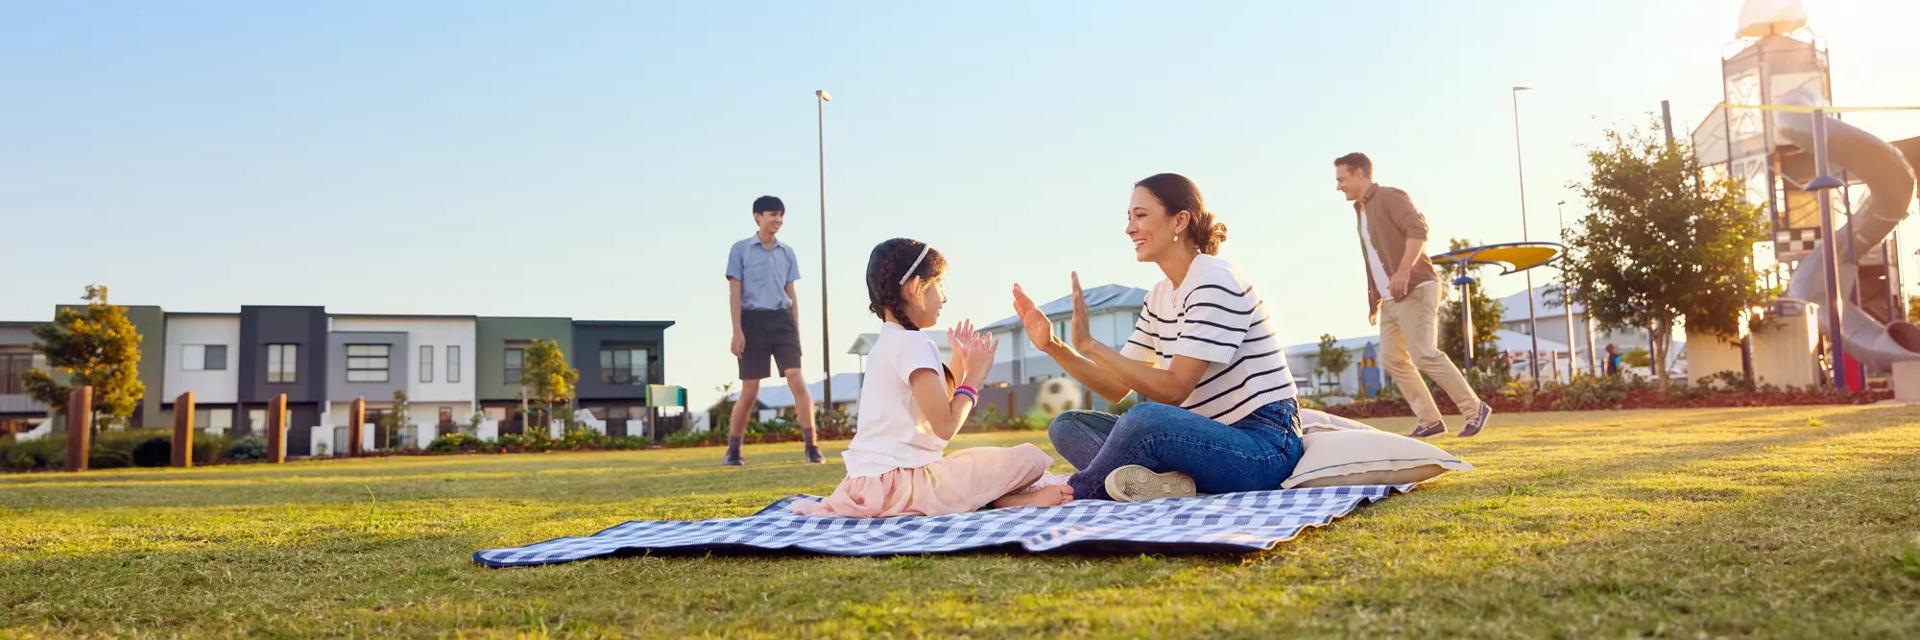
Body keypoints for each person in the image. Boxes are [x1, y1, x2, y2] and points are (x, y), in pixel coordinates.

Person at [1018, 173, 1306, 502]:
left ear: (1179, 221)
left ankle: (1074, 493)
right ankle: (1168, 483)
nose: (1129, 229)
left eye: (1140, 216)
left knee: (1145, 419)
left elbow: (1173, 389)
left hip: (1262, 447)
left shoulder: (1215, 278)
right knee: (1068, 425)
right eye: (1129, 218)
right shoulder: (1159, 295)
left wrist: (1092, 345)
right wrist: (1055, 347)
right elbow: (1114, 386)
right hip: (1200, 439)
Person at [794, 238, 1074, 517]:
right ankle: (1004, 501)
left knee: (974, 464)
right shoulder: (915, 343)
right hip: (907, 486)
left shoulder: (889, 343)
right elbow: (945, 426)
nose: (944, 297)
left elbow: (931, 408)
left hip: (867, 487)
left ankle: (1001, 500)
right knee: (1028, 458)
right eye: (939, 285)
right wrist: (975, 375)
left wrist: (959, 362)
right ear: (915, 288)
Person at [1335, 152, 1493, 438]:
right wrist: (1375, 300)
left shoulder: (1390, 197)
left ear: (1360, 174)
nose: (1338, 186)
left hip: (1415, 287)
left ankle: (1474, 409)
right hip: (1390, 298)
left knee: (1424, 353)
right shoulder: (1360, 210)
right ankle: (1430, 419)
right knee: (1392, 358)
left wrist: (1404, 271)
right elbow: (1373, 257)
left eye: (1341, 179)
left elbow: (1418, 231)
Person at [724, 195, 823, 466]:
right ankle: (733, 450)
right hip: (752, 322)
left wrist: (796, 332)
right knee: (750, 391)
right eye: (772, 214)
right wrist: (737, 331)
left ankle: (811, 446)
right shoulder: (740, 250)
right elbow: (735, 292)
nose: (778, 219)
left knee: (795, 377)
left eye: (781, 214)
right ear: (757, 216)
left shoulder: (787, 252)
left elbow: (791, 293)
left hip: (783, 322)